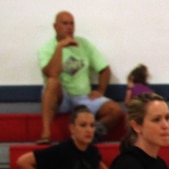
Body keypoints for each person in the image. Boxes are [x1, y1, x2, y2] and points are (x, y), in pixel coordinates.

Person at [37, 11, 124, 145]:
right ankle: (46, 133)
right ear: (56, 27)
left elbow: (104, 69)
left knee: (115, 110)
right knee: (53, 82)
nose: (69, 27)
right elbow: (52, 73)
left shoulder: (84, 44)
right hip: (62, 98)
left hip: (83, 98)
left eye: (72, 23)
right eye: (65, 23)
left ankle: (93, 134)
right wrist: (60, 46)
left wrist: (100, 90)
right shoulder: (47, 48)